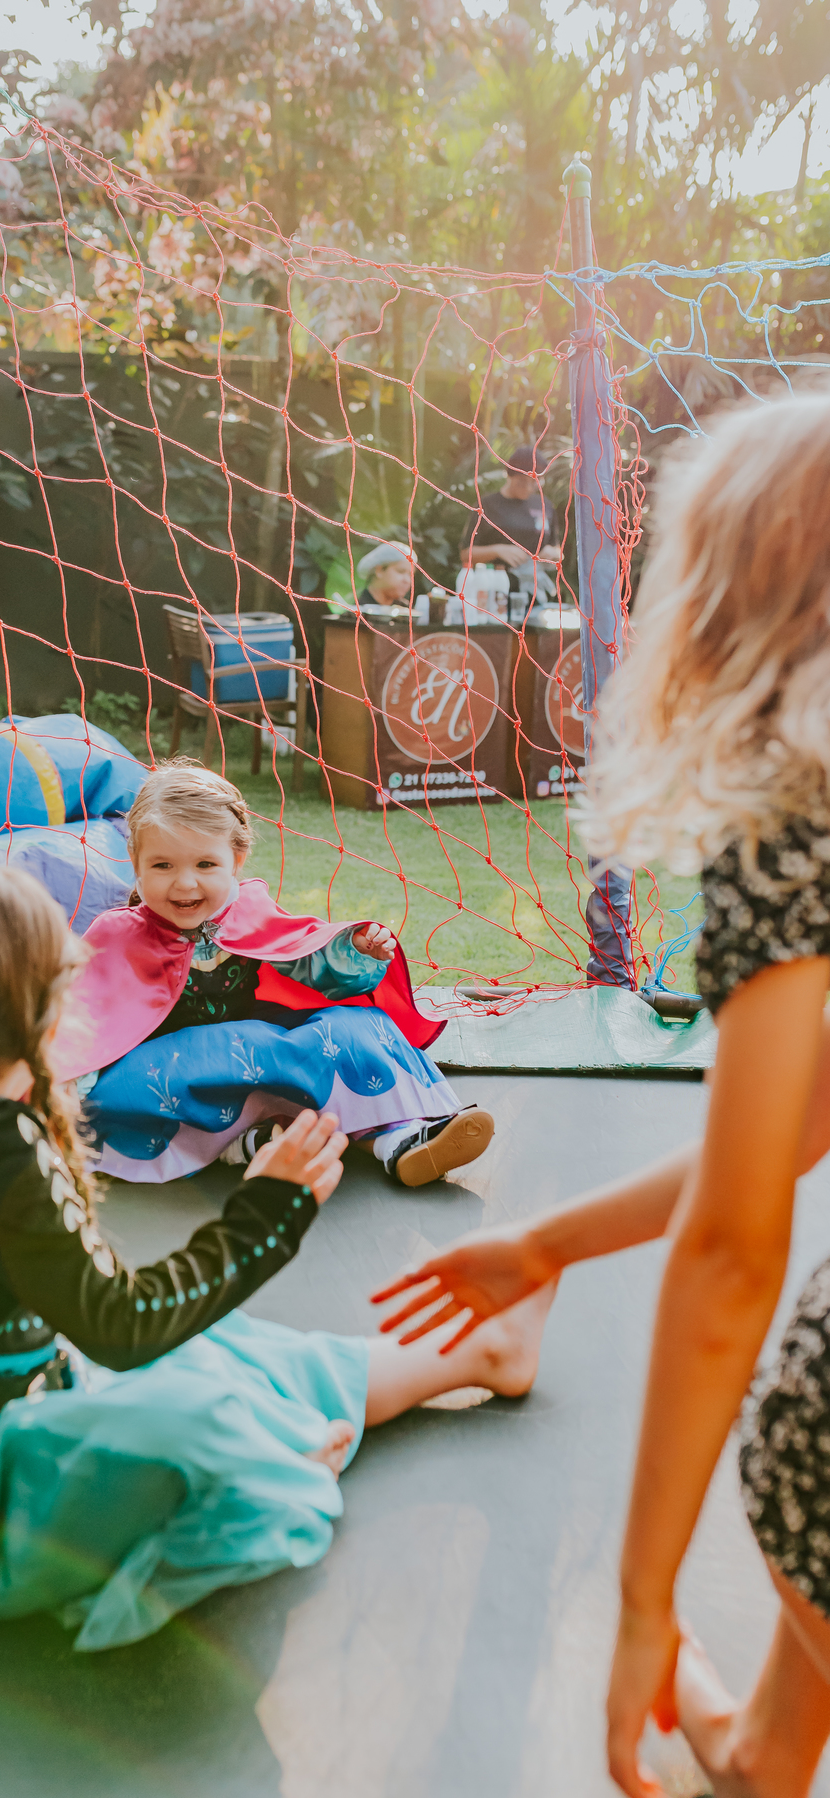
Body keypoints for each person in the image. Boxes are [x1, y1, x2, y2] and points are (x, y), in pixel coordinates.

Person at [374, 395, 830, 1796]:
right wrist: (543, 1245)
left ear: (724, 605)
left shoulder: (800, 826)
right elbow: (794, 1136)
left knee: (811, 1404)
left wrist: (639, 1601)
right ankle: (763, 1749)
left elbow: (742, 1240)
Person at [0, 863, 554, 1652]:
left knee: (218, 1350)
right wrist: (267, 1211)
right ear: (40, 1013)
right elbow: (123, 1326)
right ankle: (278, 1463)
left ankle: (481, 1352)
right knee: (197, 1411)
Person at [52, 760, 496, 1186]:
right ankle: (241, 1145)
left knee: (359, 1028)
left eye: (205, 865)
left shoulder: (248, 910)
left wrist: (356, 953)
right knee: (103, 1097)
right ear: (135, 861)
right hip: (180, 1074)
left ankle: (400, 1141)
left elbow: (311, 967)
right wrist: (66, 1085)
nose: (184, 884)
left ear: (238, 858)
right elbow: (83, 1019)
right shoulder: (118, 933)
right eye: (162, 865)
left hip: (270, 1059)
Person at [458, 443, 563, 623]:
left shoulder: (544, 505)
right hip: (493, 596)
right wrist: (499, 550)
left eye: (534, 482)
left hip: (535, 597)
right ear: (509, 475)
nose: (528, 487)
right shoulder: (487, 505)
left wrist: (550, 554)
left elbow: (558, 551)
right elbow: (465, 554)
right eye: (522, 481)